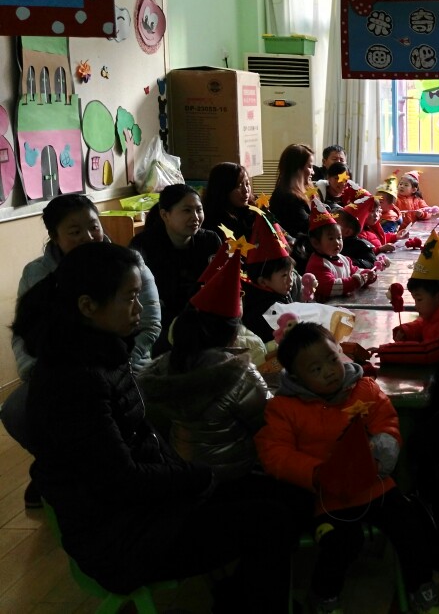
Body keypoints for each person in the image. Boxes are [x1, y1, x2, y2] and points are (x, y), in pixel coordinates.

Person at [15, 241, 298, 613]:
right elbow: (120, 480)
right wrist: (198, 477)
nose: (140, 307)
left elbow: (141, 445)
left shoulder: (100, 351)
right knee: (271, 521)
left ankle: (237, 597)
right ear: (88, 306)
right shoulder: (72, 381)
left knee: (284, 493)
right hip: (122, 539)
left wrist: (192, 476)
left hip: (148, 511)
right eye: (130, 297)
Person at [254, 322, 439, 614]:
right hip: (326, 497)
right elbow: (274, 453)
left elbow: (386, 422)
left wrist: (382, 451)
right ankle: (323, 595)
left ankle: (421, 585)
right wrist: (316, 473)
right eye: (316, 369)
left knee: (410, 523)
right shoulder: (284, 408)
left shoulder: (364, 389)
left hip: (373, 483)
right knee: (342, 541)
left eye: (332, 360)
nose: (330, 371)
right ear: (296, 376)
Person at [2, 193, 162, 509]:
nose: (88, 237)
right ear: (55, 237)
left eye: (94, 227)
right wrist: (34, 371)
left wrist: (123, 365)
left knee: (131, 404)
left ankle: (132, 463)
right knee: (16, 411)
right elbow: (25, 332)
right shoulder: (38, 274)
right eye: (75, 232)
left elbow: (150, 323)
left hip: (126, 363)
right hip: (61, 369)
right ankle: (56, 464)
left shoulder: (127, 263)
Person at [139, 250, 271, 481]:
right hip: (232, 474)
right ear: (233, 335)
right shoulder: (238, 375)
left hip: (180, 473)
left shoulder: (163, 366)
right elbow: (267, 420)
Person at [130, 184, 222, 353]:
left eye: (199, 210)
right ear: (165, 215)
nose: (196, 217)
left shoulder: (210, 241)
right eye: (187, 210)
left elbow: (219, 283)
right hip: (162, 322)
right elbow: (144, 298)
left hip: (202, 316)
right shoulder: (143, 246)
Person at [374, 231, 439, 367]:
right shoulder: (438, 310)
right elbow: (425, 324)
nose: (416, 306)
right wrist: (407, 331)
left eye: (419, 300)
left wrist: (388, 351)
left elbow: (430, 351)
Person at [241, 212, 297, 343]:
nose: (291, 280)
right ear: (263, 281)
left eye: (291, 273)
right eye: (284, 275)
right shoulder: (263, 312)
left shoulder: (278, 291)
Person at [304, 201, 376, 302]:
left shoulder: (344, 259)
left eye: (339, 238)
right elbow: (330, 287)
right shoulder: (318, 264)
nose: (337, 242)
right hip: (324, 308)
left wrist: (367, 275)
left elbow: (355, 271)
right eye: (331, 238)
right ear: (316, 243)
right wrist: (356, 281)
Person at [269, 143, 315, 242]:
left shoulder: (305, 190)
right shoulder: (287, 198)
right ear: (297, 168)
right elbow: (310, 228)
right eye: (310, 166)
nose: (313, 172)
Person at [201, 161, 255, 241]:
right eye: (239, 186)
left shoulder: (254, 212)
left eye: (247, 184)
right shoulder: (211, 223)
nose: (246, 190)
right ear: (223, 189)